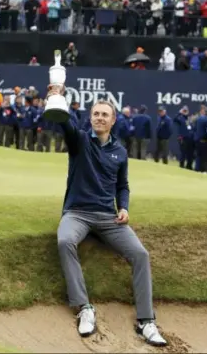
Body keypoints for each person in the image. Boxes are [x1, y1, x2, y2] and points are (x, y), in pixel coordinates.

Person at [50, 93, 167, 346]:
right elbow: (65, 123)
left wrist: (123, 207)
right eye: (96, 114)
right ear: (90, 118)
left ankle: (146, 321)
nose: (100, 118)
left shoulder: (120, 152)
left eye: (105, 114)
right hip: (77, 213)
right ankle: (84, 307)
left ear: (113, 120)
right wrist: (57, 96)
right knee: (64, 241)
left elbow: (123, 186)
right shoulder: (79, 140)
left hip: (108, 217)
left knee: (140, 254)